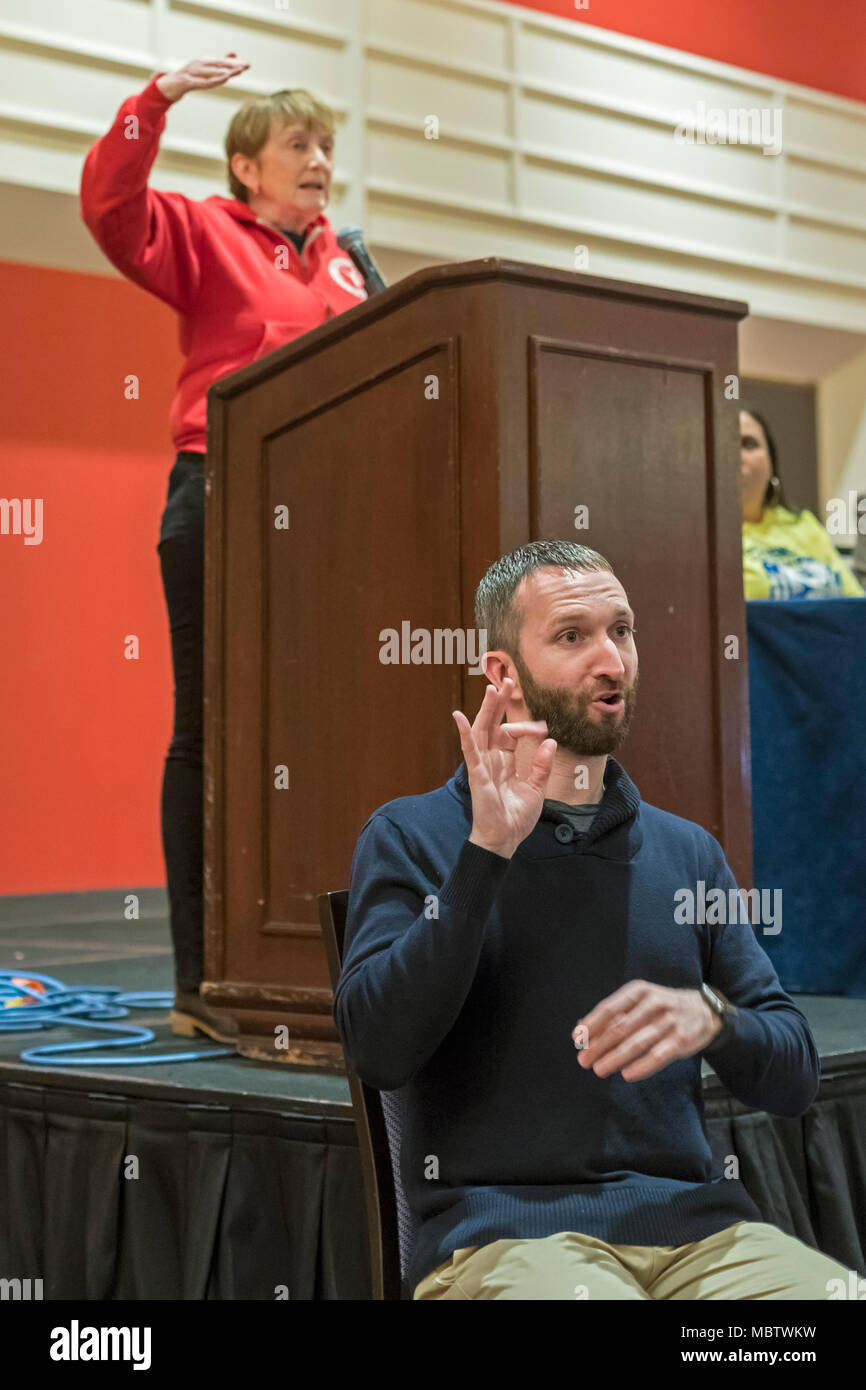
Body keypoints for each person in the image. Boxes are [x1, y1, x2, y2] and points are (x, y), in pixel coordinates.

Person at [334, 539, 852, 1299]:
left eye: (623, 630)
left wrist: (712, 1018)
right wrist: (486, 855)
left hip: (701, 1238)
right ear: (502, 674)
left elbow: (794, 1077)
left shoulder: (687, 853)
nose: (610, 660)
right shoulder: (416, 837)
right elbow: (378, 1050)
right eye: (573, 637)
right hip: (506, 1240)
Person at [80, 54, 368, 1040]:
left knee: (322, 734)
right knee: (210, 733)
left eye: (326, 145)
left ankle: (312, 961)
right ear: (248, 167)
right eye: (299, 145)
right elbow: (110, 208)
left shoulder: (347, 258)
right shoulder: (204, 231)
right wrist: (154, 101)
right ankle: (201, 980)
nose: (320, 161)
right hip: (221, 493)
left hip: (328, 513)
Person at [740, 406, 864, 599]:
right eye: (725, 443)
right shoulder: (699, 539)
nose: (736, 456)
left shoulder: (804, 524)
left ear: (771, 463)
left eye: (748, 444)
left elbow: (855, 601)